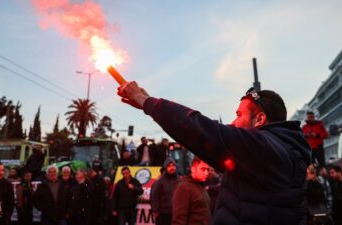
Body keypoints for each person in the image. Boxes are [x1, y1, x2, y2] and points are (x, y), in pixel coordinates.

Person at [117, 82, 311, 224]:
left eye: (239, 115)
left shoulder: (266, 149)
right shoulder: (267, 153)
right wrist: (152, 107)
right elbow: (195, 136)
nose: (233, 123)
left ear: (259, 119)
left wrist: (146, 102)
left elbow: (201, 130)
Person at [172, 157, 211, 225]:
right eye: (203, 169)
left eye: (208, 169)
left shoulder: (200, 185)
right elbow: (179, 218)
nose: (206, 172)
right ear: (193, 169)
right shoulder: (184, 187)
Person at [150, 158, 179, 225]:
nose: (172, 168)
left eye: (173, 166)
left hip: (176, 214)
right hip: (163, 214)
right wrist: (155, 210)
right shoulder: (160, 181)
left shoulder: (179, 180)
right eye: (169, 166)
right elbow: (154, 196)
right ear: (165, 168)